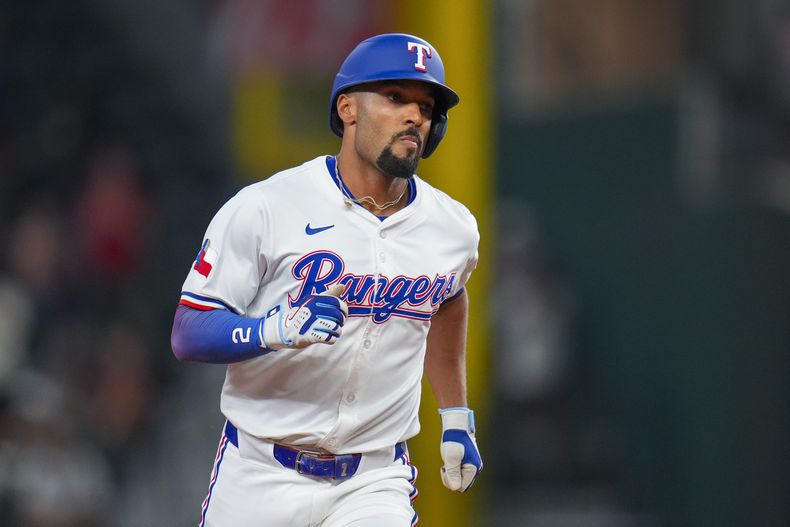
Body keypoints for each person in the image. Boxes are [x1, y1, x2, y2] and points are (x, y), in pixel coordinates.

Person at [171, 32, 482, 527]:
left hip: (373, 479)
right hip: (259, 471)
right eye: (395, 97)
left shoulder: (453, 229)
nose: (414, 116)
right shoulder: (267, 206)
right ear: (347, 109)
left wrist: (456, 417)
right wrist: (271, 330)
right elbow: (188, 331)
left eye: (426, 107)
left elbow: (448, 297)